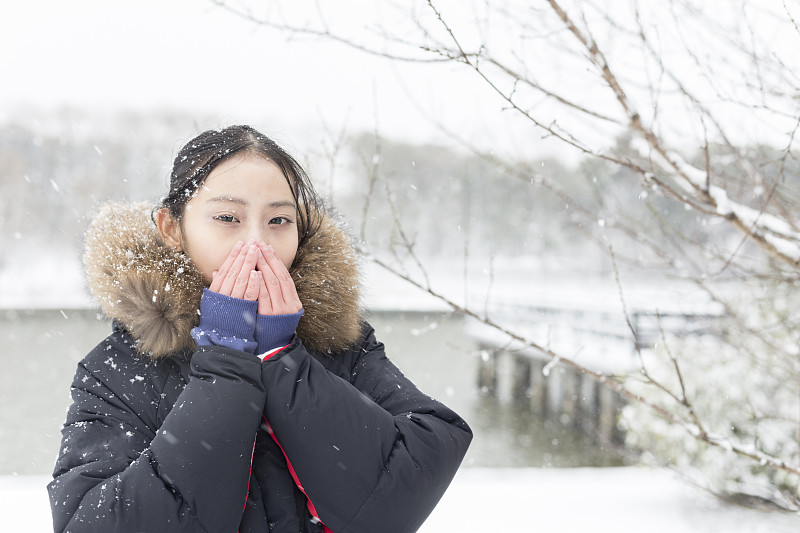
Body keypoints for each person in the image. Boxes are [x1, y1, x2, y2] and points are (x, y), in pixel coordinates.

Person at [47, 125, 472, 533]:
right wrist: (226, 362)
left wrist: (281, 358)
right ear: (172, 228)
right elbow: (92, 521)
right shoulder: (119, 366)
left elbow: (406, 484)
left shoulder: (341, 342)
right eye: (228, 217)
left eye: (279, 221)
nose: (257, 243)